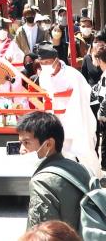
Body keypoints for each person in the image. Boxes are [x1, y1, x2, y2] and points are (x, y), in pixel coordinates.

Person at [17, 111, 91, 232]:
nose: (22, 150)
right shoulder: (81, 168)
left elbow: (43, 233)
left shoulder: (42, 182)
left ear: (48, 144)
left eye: (26, 143)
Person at [36, 43, 100, 175]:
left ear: (56, 60)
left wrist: (58, 96)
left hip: (76, 117)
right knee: (63, 151)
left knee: (84, 150)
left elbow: (83, 94)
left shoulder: (72, 74)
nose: (45, 65)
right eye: (42, 63)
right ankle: (70, 177)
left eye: (47, 62)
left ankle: (96, 178)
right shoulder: (43, 76)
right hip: (56, 119)